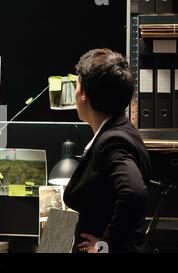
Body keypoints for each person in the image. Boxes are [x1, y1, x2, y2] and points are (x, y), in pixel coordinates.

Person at [63, 48, 151, 253]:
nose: (75, 93)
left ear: (84, 94)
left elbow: (133, 192)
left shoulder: (113, 142)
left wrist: (105, 246)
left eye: (76, 85)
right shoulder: (120, 130)